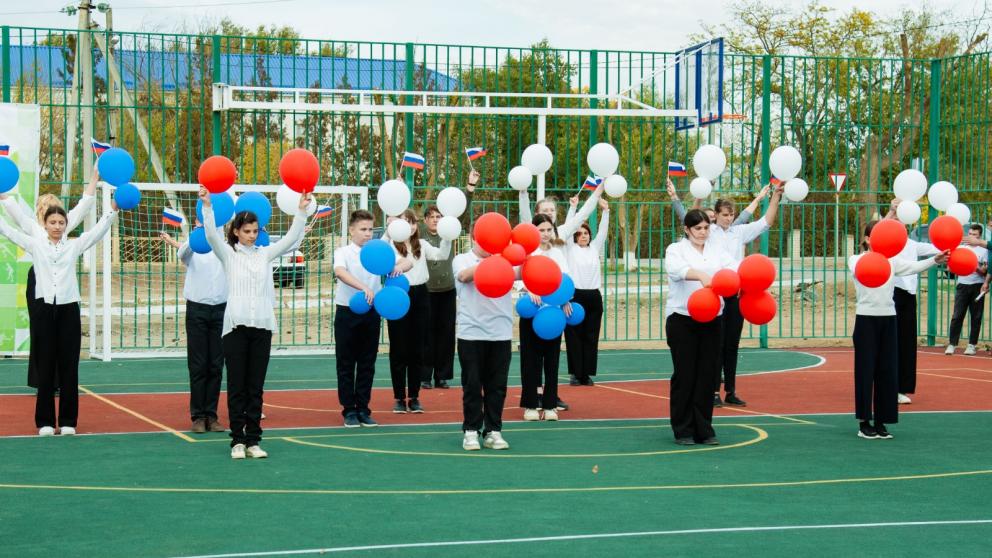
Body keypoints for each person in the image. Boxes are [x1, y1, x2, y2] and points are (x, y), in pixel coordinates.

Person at [199, 186, 308, 459]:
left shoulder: (265, 254)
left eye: (255, 231)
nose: (251, 235)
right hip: (235, 327)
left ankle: (254, 440)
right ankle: (237, 440)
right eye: (246, 231)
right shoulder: (228, 254)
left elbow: (292, 239)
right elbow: (211, 235)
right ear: (236, 231)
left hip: (262, 326)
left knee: (255, 387)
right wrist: (207, 206)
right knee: (236, 385)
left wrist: (302, 211)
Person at [0, 197, 120, 436]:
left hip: (68, 309)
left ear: (66, 225)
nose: (56, 226)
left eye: (61, 222)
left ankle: (67, 421)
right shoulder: (36, 245)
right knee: (45, 365)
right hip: (44, 309)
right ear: (44, 225)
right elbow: (9, 231)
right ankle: (44, 422)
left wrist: (112, 211)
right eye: (52, 222)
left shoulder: (73, 245)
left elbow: (96, 232)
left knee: (69, 366)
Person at [849, 220, 947, 440]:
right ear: (867, 239)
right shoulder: (856, 259)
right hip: (866, 320)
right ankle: (864, 422)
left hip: (889, 319)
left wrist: (934, 259)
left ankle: (882, 421)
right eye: (876, 234)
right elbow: (861, 269)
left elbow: (913, 267)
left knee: (887, 372)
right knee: (866, 372)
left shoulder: (892, 260)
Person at [0, 168, 97, 390]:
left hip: (62, 286)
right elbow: (13, 213)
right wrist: (2, 193)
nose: (53, 219)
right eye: (44, 209)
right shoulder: (34, 228)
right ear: (41, 215)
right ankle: (42, 380)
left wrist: (94, 176)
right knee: (42, 333)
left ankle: (59, 380)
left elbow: (84, 205)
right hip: (40, 283)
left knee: (62, 335)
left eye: (55, 211)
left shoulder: (64, 224)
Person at [707, 183, 784, 408]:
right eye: (724, 215)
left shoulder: (738, 233)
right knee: (716, 346)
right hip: (715, 294)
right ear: (717, 215)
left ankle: (730, 390)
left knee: (732, 345)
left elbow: (766, 222)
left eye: (731, 215)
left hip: (736, 295)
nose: (728, 219)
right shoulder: (708, 232)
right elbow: (688, 219)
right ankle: (712, 391)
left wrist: (775, 198)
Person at [663, 209, 736, 445]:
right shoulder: (676, 249)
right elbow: (677, 271)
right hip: (682, 319)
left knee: (708, 374)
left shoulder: (717, 251)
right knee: (685, 374)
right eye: (697, 228)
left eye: (706, 228)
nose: (702, 232)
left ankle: (704, 428)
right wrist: (700, 275)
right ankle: (683, 429)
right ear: (687, 229)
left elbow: (733, 270)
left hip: (713, 319)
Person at [160, 218, 228, 433]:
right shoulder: (194, 246)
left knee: (216, 365)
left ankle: (212, 415)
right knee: (198, 364)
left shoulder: (225, 247)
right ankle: (198, 416)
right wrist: (196, 234)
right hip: (197, 310)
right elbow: (182, 254)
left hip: (221, 310)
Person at [384, 209, 451, 414]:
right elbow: (381, 257)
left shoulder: (421, 245)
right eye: (405, 222)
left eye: (412, 222)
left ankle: (414, 397)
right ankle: (398, 398)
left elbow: (442, 255)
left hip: (421, 295)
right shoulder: (389, 245)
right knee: (398, 349)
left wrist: (447, 236)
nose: (410, 226)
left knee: (417, 348)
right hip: (397, 295)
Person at [453, 239, 517, 451]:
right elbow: (463, 276)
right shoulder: (462, 259)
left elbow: (525, 272)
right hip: (471, 333)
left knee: (497, 386)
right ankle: (471, 431)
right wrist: (494, 262)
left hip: (500, 333)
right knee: (472, 385)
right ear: (475, 238)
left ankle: (493, 431)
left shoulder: (506, 260)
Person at [419, 169, 477, 390]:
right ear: (425, 220)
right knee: (426, 334)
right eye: (431, 217)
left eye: (438, 217)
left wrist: (469, 188)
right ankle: (425, 375)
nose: (435, 220)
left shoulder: (449, 231)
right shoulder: (419, 236)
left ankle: (442, 375)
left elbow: (462, 213)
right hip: (426, 291)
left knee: (445, 334)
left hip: (447, 291)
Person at [884, 200, 940, 404]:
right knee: (890, 343)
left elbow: (936, 248)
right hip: (890, 296)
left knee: (907, 342)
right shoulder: (884, 240)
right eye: (896, 216)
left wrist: (963, 243)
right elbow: (875, 234)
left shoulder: (912, 244)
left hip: (908, 296)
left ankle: (902, 388)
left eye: (901, 217)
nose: (899, 220)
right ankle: (886, 385)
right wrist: (891, 211)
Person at [519, 214, 572, 421]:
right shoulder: (527, 253)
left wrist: (566, 298)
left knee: (552, 361)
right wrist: (527, 288)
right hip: (532, 312)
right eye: (541, 230)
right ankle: (530, 405)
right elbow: (517, 275)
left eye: (549, 229)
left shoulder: (558, 253)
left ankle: (550, 405)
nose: (546, 234)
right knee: (530, 360)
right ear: (534, 231)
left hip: (553, 315)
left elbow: (565, 278)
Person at [333, 209, 382, 428]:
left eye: (371, 229)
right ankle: (349, 410)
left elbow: (405, 262)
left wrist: (397, 270)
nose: (368, 233)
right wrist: (363, 288)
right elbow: (340, 272)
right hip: (347, 312)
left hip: (371, 313)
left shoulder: (379, 251)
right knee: (346, 363)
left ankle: (363, 408)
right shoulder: (343, 252)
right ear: (352, 230)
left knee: (367, 363)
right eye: (363, 229)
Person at [563, 196, 609, 386]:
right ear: (574, 236)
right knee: (574, 336)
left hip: (594, 297)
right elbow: (567, 227)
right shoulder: (569, 248)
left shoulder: (594, 248)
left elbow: (603, 233)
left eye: (586, 233)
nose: (584, 235)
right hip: (575, 296)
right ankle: (575, 373)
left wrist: (606, 211)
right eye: (580, 233)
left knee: (591, 336)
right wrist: (573, 207)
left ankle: (586, 374)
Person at [944, 224, 988, 356]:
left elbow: (984, 271)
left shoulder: (984, 251)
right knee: (957, 315)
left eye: (974, 235)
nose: (971, 237)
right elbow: (950, 269)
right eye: (970, 234)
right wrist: (954, 264)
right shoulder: (960, 248)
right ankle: (952, 344)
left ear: (979, 236)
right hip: (962, 285)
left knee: (976, 317)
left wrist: (973, 265)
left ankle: (971, 345)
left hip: (977, 285)